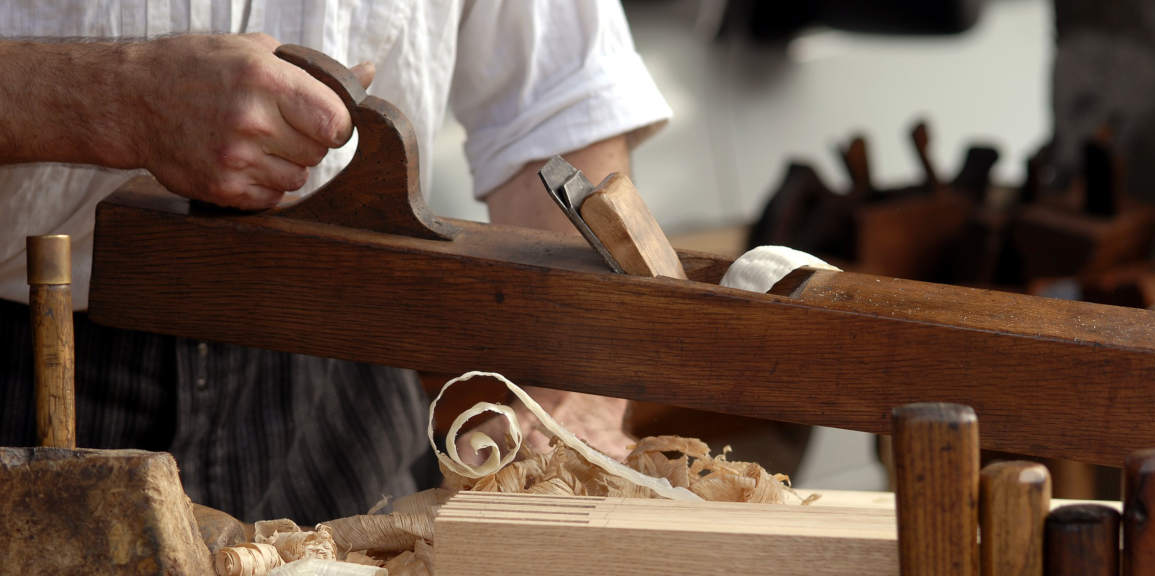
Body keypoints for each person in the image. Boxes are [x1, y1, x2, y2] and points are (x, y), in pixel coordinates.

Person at [0, 1, 670, 524]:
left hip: (340, 373)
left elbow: (556, 108)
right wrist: (115, 97)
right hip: (37, 362)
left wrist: (563, 389)